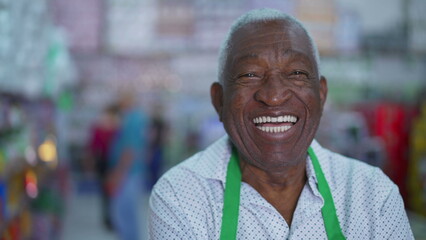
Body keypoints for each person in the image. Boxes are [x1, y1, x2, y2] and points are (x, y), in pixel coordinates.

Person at [149, 8, 414, 239]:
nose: (274, 96)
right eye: (249, 74)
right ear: (219, 100)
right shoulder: (181, 195)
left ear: (321, 95)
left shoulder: (372, 193)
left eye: (296, 73)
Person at [107, 94, 148, 240]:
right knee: (126, 214)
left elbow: (129, 151)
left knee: (123, 214)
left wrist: (118, 175)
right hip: (131, 172)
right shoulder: (135, 119)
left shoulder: (132, 120)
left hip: (127, 173)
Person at [88, 104, 120, 230]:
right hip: (104, 163)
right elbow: (93, 147)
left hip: (113, 163)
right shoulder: (99, 129)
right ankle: (108, 219)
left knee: (113, 193)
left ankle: (112, 217)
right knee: (106, 192)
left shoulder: (116, 129)